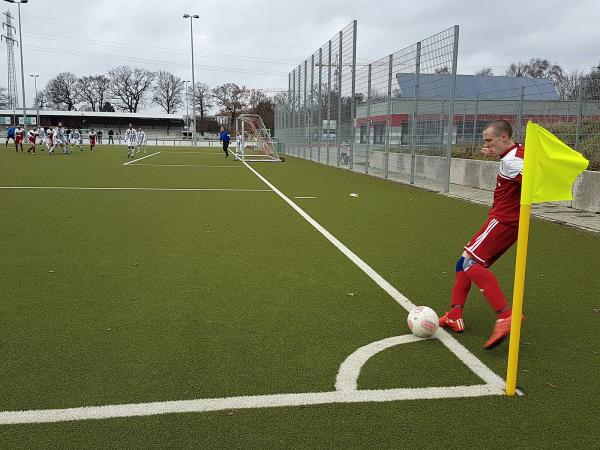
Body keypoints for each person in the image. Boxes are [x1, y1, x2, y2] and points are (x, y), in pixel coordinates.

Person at [439, 120, 524, 349]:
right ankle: (455, 314)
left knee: (469, 262)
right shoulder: (517, 152)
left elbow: (528, 178)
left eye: (489, 140)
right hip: (505, 221)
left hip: (503, 221)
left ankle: (505, 315)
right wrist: (495, 153)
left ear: (504, 136)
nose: (485, 145)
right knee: (462, 262)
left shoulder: (512, 160)